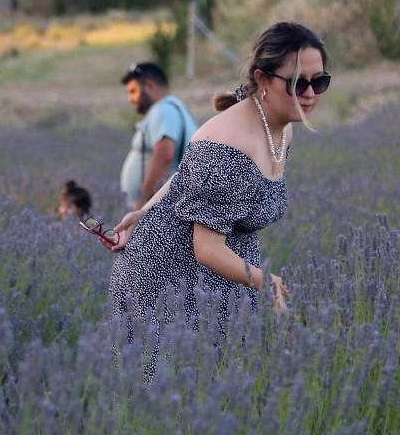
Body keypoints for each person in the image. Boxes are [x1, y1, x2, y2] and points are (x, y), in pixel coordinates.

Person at [106, 22, 331, 327]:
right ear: (262, 78)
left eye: (318, 82)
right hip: (168, 280)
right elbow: (208, 249)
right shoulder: (228, 144)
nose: (308, 94)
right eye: (295, 83)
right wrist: (272, 282)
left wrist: (143, 212)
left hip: (224, 275)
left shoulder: (282, 127)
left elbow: (188, 173)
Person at [119, 62, 197, 211]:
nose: (130, 99)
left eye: (133, 91)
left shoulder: (164, 109)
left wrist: (144, 201)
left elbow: (165, 154)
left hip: (157, 209)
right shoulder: (171, 107)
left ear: (149, 86)